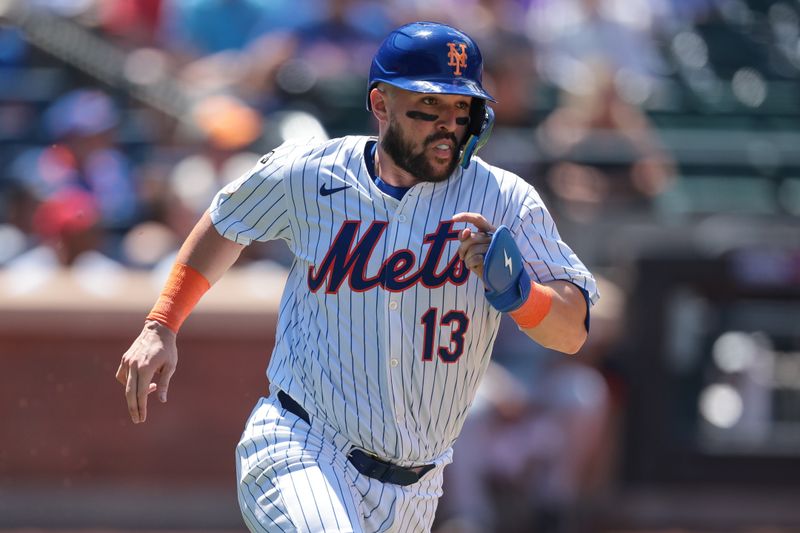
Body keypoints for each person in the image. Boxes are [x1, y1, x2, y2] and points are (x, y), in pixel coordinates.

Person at [115, 21, 598, 532]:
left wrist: (521, 294)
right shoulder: (311, 172)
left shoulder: (506, 201)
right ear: (381, 103)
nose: (448, 125)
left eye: (461, 109)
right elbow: (227, 221)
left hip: (417, 485)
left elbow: (572, 332)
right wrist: (161, 323)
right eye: (428, 106)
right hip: (301, 445)